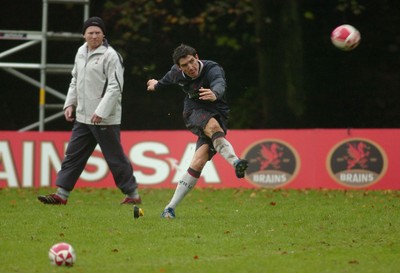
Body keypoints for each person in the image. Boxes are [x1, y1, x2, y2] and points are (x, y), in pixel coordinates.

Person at [38, 17, 142, 209]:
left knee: (114, 157)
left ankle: (132, 194)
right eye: (90, 33)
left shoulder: (111, 55)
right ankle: (61, 194)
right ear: (84, 35)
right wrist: (70, 104)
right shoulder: (80, 52)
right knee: (73, 155)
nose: (94, 36)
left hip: (105, 119)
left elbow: (115, 87)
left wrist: (101, 111)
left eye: (97, 33)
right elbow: (75, 80)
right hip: (83, 117)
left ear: (103, 35)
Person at [147, 44, 248, 218]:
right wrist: (154, 85)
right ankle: (236, 162)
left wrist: (215, 93)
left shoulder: (212, 68)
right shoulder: (176, 73)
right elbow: (162, 83)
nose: (191, 67)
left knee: (198, 162)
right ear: (179, 67)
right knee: (213, 127)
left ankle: (169, 208)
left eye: (192, 61)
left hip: (219, 112)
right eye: (185, 65)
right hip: (194, 110)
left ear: (197, 57)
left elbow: (219, 83)